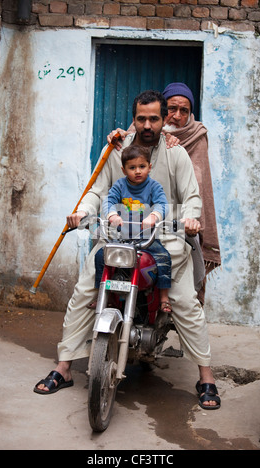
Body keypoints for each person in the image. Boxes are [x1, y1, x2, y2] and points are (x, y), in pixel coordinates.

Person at [34, 89, 220, 410]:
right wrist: (83, 211)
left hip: (164, 238)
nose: (147, 125)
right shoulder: (117, 150)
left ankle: (206, 376)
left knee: (185, 302)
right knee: (83, 291)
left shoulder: (176, 154)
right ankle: (64, 367)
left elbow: (191, 196)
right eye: (141, 118)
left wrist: (190, 217)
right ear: (133, 119)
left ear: (163, 121)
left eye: (154, 118)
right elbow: (97, 190)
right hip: (119, 237)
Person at [108, 82, 221, 305]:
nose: (176, 116)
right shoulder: (125, 142)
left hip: (170, 227)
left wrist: (189, 218)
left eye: (184, 111)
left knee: (186, 304)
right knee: (92, 282)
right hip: (129, 227)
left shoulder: (191, 140)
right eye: (171, 109)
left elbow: (196, 190)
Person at [94, 144, 172, 313]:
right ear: (124, 170)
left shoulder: (154, 187)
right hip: (124, 238)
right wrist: (112, 215)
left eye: (142, 166)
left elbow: (162, 204)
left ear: (149, 167)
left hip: (148, 239)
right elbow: (108, 201)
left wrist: (154, 216)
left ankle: (164, 298)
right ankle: (100, 295)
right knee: (101, 256)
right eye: (132, 167)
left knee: (164, 258)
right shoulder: (120, 186)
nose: (138, 171)